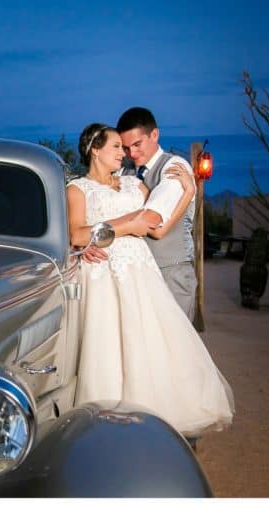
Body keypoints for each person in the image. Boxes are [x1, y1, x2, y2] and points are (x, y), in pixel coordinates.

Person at [68, 123, 234, 438]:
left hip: (139, 271)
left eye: (125, 147)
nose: (125, 153)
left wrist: (188, 192)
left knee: (145, 342)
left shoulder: (134, 185)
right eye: (117, 146)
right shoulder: (77, 189)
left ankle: (150, 423)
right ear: (95, 149)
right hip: (103, 275)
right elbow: (77, 234)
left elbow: (156, 227)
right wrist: (128, 223)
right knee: (105, 345)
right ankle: (105, 423)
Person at [84, 107, 198, 321]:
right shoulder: (122, 171)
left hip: (169, 272)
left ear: (154, 135)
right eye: (126, 148)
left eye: (137, 144)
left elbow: (152, 222)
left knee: (173, 347)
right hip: (130, 275)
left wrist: (97, 233)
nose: (132, 154)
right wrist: (84, 241)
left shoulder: (174, 167)